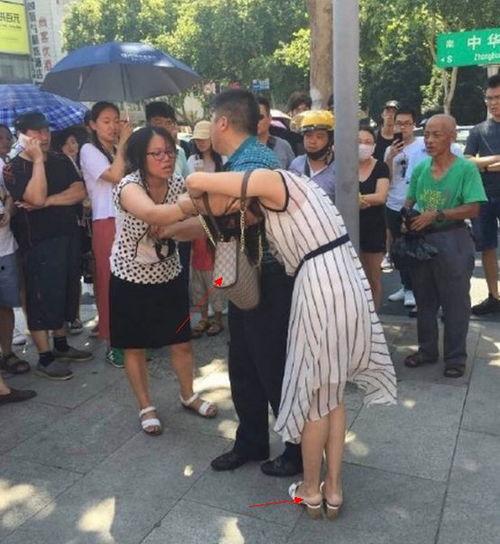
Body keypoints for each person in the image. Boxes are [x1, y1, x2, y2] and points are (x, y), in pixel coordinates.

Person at [181, 167, 397, 519]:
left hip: (320, 286)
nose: (227, 216)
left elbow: (194, 182)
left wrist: (200, 193)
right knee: (332, 396)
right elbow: (195, 209)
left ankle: (311, 490)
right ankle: (333, 489)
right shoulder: (282, 195)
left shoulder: (271, 180)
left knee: (314, 400)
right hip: (344, 280)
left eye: (225, 207)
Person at [197, 89, 303, 476]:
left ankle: (298, 449)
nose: (209, 127)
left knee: (272, 365)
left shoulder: (255, 160)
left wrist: (194, 186)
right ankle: (252, 441)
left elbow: (226, 208)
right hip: (247, 275)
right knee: (243, 363)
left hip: (269, 277)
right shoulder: (238, 160)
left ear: (223, 122)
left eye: (211, 120)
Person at [110, 126, 217, 435]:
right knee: (134, 346)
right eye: (156, 154)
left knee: (181, 342)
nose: (166, 159)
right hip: (129, 277)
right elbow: (153, 214)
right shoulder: (128, 186)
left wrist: (177, 227)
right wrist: (195, 205)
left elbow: (200, 226)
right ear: (140, 158)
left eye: (169, 152)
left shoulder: (178, 184)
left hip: (168, 274)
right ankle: (146, 406)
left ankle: (188, 394)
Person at [3, 112, 92, 381]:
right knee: (41, 297)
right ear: (22, 136)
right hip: (37, 242)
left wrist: (50, 201)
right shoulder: (13, 168)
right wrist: (38, 162)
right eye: (36, 132)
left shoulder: (61, 159)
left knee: (65, 290)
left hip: (67, 234)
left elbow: (79, 191)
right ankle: (44, 356)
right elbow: (35, 196)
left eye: (46, 131)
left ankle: (61, 344)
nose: (43, 137)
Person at [403, 115, 486, 378]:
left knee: (455, 303)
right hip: (423, 241)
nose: (429, 140)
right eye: (427, 134)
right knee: (424, 300)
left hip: (454, 239)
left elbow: (473, 208)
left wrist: (438, 214)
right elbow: (409, 201)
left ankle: (455, 358)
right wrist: (406, 219)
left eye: (436, 135)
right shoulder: (421, 169)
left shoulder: (465, 170)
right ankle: (427, 350)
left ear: (451, 137)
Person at [79, 102, 132, 367]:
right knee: (110, 282)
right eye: (106, 121)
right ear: (93, 124)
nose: (113, 126)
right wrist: (124, 144)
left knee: (131, 281)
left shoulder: (115, 149)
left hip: (128, 219)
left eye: (116, 120)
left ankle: (133, 336)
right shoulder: (88, 150)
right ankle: (114, 342)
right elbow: (114, 175)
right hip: (106, 221)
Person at [465, 74, 500, 315]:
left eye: (497, 97)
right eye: (489, 98)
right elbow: (467, 162)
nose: (493, 103)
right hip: (484, 196)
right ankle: (494, 296)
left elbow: (476, 162)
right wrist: (494, 162)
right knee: (487, 247)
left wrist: (483, 163)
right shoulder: (478, 131)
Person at [187, 121, 225, 338]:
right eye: (198, 139)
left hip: (218, 221)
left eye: (204, 138)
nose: (201, 142)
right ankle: (203, 317)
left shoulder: (223, 161)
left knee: (216, 271)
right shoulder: (192, 160)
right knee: (198, 271)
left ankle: (218, 316)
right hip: (197, 218)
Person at [0, 126, 31, 375]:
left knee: (6, 304)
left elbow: (10, 196)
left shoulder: (6, 167)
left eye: (6, 137)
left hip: (5, 246)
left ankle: (7, 352)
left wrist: (8, 211)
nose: (4, 141)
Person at [358, 126, 390, 310]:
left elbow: (380, 196)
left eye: (368, 142)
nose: (363, 145)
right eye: (359, 142)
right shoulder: (343, 165)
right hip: (348, 228)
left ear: (374, 145)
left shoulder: (380, 167)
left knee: (372, 279)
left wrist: (357, 199)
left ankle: (374, 319)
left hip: (373, 229)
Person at [289, 110, 336, 201]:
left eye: (319, 137)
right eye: (308, 135)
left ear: (330, 140)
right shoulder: (296, 164)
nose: (312, 141)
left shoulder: (340, 169)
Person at [145, 102, 190, 176]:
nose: (164, 127)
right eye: (158, 123)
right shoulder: (140, 153)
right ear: (148, 124)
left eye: (168, 123)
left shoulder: (179, 152)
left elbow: (186, 180)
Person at [256, 96, 295, 169]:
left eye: (260, 117)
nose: (256, 121)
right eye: (251, 117)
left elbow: (294, 173)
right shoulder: (240, 148)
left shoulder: (283, 146)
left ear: (269, 118)